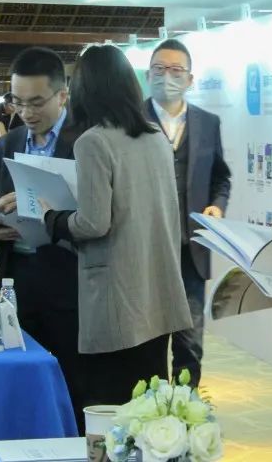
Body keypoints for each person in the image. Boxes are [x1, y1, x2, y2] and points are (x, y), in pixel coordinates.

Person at [42, 45, 192, 408]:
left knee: (109, 407)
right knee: (148, 406)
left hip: (116, 299)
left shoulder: (94, 142)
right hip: (156, 295)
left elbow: (93, 223)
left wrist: (52, 219)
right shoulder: (156, 137)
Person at [0, 47, 85, 428]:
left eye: (36, 102)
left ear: (62, 95)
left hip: (70, 290)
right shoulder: (8, 143)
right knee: (20, 392)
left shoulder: (85, 143)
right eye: (18, 102)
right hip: (17, 287)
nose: (26, 112)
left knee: (69, 393)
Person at [144, 39, 231, 387]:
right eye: (159, 69)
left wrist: (217, 206)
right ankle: (148, 411)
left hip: (191, 250)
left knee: (190, 343)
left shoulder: (207, 123)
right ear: (148, 75)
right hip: (146, 250)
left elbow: (221, 177)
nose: (167, 77)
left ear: (190, 79)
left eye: (176, 70)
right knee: (148, 341)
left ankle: (184, 407)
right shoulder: (131, 121)